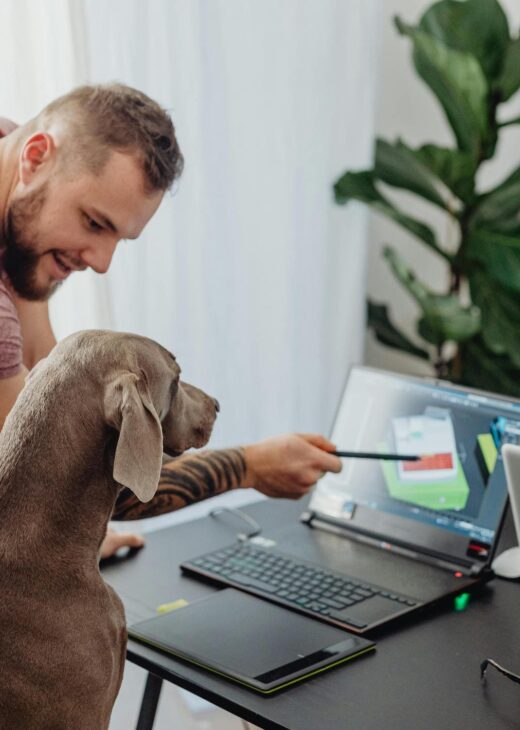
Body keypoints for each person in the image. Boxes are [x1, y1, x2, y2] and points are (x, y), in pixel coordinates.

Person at [0, 85, 341, 557]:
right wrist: (249, 466)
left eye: (120, 237)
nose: (100, 262)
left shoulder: (14, 153)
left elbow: (44, 371)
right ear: (35, 158)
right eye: (95, 223)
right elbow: (49, 476)